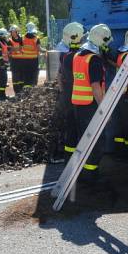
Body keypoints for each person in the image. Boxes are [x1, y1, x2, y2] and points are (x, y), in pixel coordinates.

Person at [71, 23, 112, 181]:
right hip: (90, 105)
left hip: (78, 103)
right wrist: (104, 109)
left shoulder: (78, 55)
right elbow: (95, 86)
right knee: (96, 140)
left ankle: (83, 171)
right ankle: (91, 173)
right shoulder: (93, 60)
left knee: (84, 137)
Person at [56, 22, 85, 159]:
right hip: (80, 98)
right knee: (80, 126)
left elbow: (59, 75)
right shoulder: (83, 57)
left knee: (70, 125)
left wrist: (62, 91)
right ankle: (81, 155)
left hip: (67, 95)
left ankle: (69, 155)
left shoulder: (64, 56)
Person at [20, 22, 42, 89]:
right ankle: (33, 90)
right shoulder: (36, 38)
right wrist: (45, 51)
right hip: (34, 61)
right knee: (34, 75)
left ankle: (26, 90)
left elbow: (20, 48)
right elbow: (39, 49)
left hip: (24, 61)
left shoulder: (22, 38)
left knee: (26, 76)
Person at [8, 25, 25, 95]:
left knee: (22, 76)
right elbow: (10, 49)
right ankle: (17, 92)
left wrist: (18, 48)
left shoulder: (21, 39)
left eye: (14, 32)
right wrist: (18, 48)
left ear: (17, 32)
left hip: (21, 60)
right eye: (12, 32)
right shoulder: (9, 40)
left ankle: (22, 90)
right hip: (14, 60)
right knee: (15, 77)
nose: (13, 33)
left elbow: (23, 48)